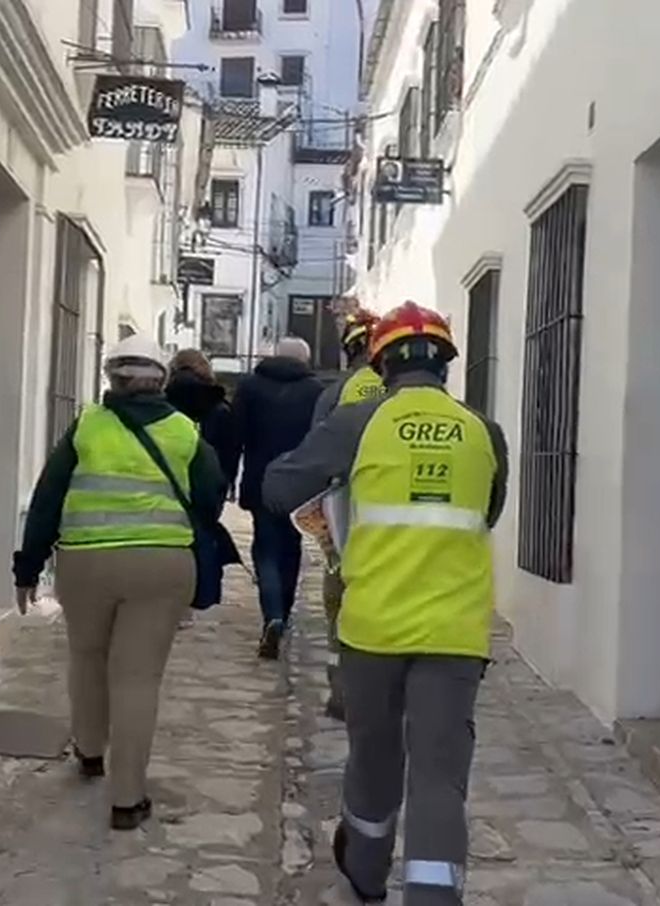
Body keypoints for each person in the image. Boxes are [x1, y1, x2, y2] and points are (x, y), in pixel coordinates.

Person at [263, 303, 509, 905]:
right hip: (454, 633)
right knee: (439, 778)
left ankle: (365, 876)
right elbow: (488, 511)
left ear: (381, 363)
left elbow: (278, 489)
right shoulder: (484, 432)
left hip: (372, 630)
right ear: (445, 365)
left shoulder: (359, 422)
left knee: (373, 762)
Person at [12, 335, 226, 831]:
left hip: (85, 562)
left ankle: (89, 752)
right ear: (162, 380)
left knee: (87, 655)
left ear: (111, 377)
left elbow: (48, 497)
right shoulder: (185, 432)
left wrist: (28, 567)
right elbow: (211, 498)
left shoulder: (87, 426)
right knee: (137, 677)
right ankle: (127, 799)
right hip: (161, 565)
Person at [306, 307, 385, 721]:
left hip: (346, 516)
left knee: (339, 598)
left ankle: (342, 691)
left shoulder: (336, 394)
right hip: (400, 520)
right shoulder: (406, 395)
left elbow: (317, 457)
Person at [228, 336, 324, 660]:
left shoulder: (250, 387)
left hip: (260, 478)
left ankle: (273, 615)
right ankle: (284, 609)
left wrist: (229, 477)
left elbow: (236, 436)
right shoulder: (315, 391)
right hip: (299, 482)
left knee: (265, 548)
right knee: (291, 547)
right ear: (304, 360)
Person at [166, 348, 238, 483]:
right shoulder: (218, 406)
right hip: (208, 477)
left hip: (170, 478)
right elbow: (229, 453)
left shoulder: (163, 403)